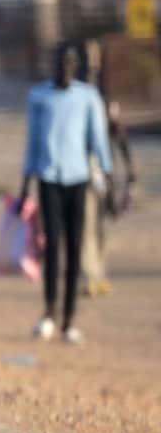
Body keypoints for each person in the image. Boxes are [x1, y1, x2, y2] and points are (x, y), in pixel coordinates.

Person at [17, 42, 113, 345]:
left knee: (74, 249)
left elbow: (98, 140)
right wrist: (24, 187)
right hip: (48, 178)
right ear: (54, 65)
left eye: (71, 63)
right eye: (61, 62)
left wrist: (108, 181)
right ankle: (48, 312)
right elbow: (32, 142)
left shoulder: (87, 97)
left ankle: (69, 319)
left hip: (77, 179)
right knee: (52, 247)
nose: (65, 68)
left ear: (76, 66)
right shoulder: (39, 96)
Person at [76, 39, 136, 298]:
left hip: (104, 169)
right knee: (85, 224)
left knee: (100, 224)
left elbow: (119, 135)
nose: (93, 65)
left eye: (96, 59)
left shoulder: (104, 98)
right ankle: (87, 276)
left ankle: (98, 274)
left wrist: (129, 170)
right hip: (78, 170)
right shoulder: (72, 95)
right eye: (89, 59)